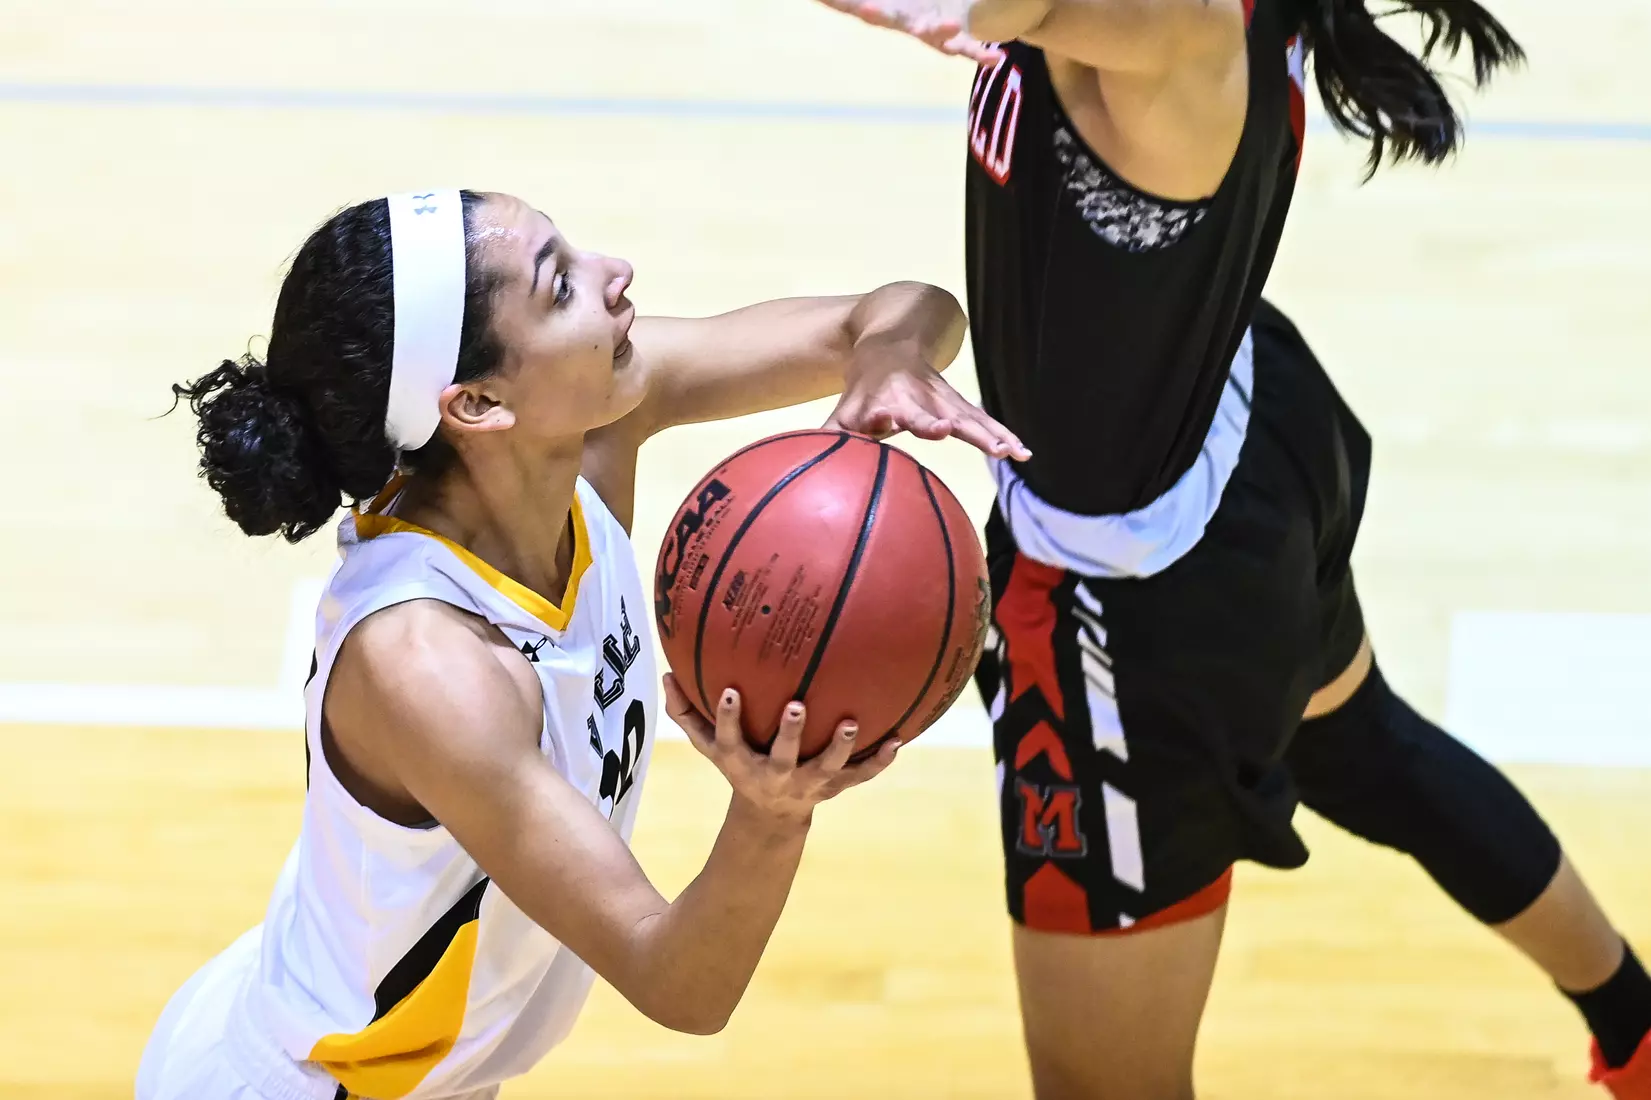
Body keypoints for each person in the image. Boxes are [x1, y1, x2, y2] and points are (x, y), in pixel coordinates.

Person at [813, 2, 1651, 1097]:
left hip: (1132, 605)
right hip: (1241, 424)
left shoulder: (1168, 25)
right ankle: (1636, 1026)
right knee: (1361, 747)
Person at [137, 187, 1025, 1100]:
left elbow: (907, 310)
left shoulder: (586, 431)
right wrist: (771, 813)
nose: (615, 274)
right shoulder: (431, 666)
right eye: (560, 286)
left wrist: (886, 356)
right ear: (477, 402)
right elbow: (676, 982)